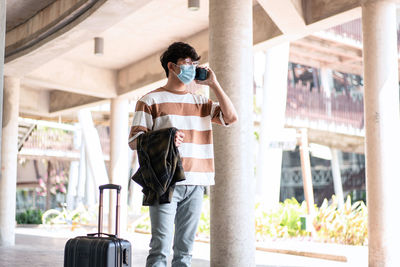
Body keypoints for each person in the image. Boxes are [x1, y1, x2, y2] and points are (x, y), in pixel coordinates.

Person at [128, 41, 238, 267]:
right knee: (160, 248)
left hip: (196, 182)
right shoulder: (149, 100)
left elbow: (231, 117)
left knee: (185, 252)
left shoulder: (201, 102)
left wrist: (214, 84)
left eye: (195, 64)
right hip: (164, 182)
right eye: (187, 64)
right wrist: (166, 137)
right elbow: (134, 141)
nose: (192, 68)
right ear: (171, 66)